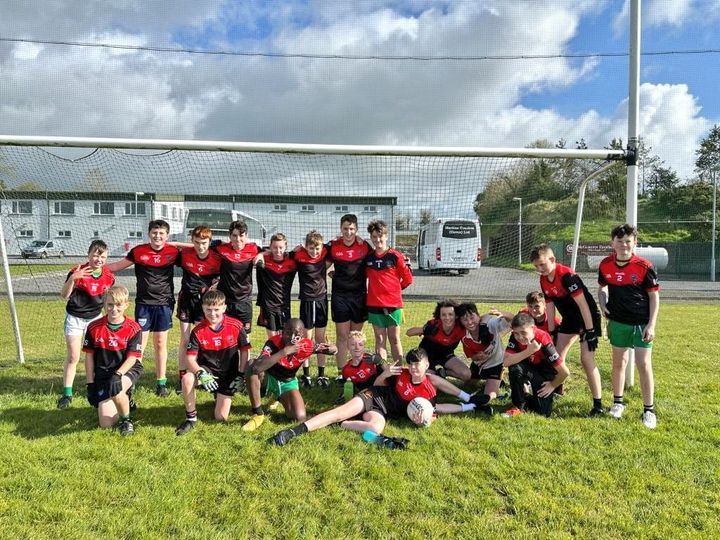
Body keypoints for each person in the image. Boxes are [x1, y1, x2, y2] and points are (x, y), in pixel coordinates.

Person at [268, 348, 485, 448]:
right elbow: (378, 384)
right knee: (339, 412)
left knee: (375, 429)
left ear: (426, 365)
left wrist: (468, 406)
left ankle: (342, 424)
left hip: (382, 412)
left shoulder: (429, 390)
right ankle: (291, 432)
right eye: (411, 364)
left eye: (417, 365)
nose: (413, 368)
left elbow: (439, 409)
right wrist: (385, 373)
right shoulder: (401, 373)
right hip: (373, 396)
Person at [106, 219, 180, 397]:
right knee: (139, 345)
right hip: (144, 305)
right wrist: (91, 267)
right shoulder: (138, 251)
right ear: (149, 234)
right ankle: (131, 381)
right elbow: (116, 266)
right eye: (154, 233)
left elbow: (195, 249)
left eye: (161, 233)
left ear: (167, 236)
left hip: (164, 304)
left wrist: (176, 243)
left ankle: (161, 382)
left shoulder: (173, 252)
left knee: (160, 343)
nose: (157, 236)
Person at [530, 243, 604, 416]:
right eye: (536, 266)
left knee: (586, 360)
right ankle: (556, 391)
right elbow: (549, 306)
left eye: (542, 264)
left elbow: (583, 305)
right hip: (569, 320)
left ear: (552, 259)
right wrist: (551, 331)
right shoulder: (543, 279)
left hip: (587, 318)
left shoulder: (567, 276)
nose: (540, 269)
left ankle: (598, 405)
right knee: (555, 356)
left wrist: (590, 330)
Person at [598, 224, 660, 429]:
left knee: (643, 364)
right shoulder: (605, 264)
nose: (624, 245)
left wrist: (651, 325)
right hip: (618, 322)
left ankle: (649, 410)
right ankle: (618, 403)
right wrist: (603, 304)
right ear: (612, 243)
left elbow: (654, 297)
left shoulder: (644, 266)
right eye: (620, 241)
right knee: (619, 363)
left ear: (635, 243)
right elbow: (602, 288)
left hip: (641, 323)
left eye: (628, 241)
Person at [175, 290, 251, 436]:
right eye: (208, 309)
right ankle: (191, 418)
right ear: (203, 308)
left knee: (220, 418)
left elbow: (244, 351)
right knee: (187, 378)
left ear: (224, 308)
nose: (212, 314)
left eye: (216, 309)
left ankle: (219, 394)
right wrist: (200, 373)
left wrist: (240, 375)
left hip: (228, 374)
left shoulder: (236, 325)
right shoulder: (197, 331)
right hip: (208, 372)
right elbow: (190, 359)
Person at [242, 318, 337, 432]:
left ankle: (278, 397)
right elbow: (257, 368)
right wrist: (284, 351)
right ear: (282, 332)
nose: (292, 337)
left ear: (302, 336)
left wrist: (333, 349)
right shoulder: (273, 342)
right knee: (251, 364)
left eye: (297, 335)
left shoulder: (306, 345)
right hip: (269, 378)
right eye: (288, 333)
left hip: (287, 382)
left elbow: (331, 349)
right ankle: (258, 414)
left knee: (299, 417)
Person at [57, 239, 115, 409]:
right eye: (96, 255)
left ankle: (96, 388)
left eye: (103, 257)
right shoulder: (77, 271)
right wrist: (73, 279)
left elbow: (106, 300)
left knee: (97, 355)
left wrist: (108, 319)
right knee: (74, 356)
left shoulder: (109, 277)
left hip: (95, 319)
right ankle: (67, 394)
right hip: (74, 318)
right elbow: (64, 295)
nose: (99, 259)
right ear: (88, 255)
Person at [83, 286, 143, 436]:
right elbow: (89, 357)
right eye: (110, 305)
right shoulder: (93, 327)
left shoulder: (134, 328)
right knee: (106, 423)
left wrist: (118, 374)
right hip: (104, 373)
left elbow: (132, 358)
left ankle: (126, 421)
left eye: (118, 305)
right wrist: (90, 384)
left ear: (126, 305)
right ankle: (125, 400)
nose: (114, 309)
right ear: (104, 304)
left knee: (117, 388)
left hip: (127, 369)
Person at [175, 225, 223, 393]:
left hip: (204, 304)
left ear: (210, 242)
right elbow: (169, 247)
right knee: (185, 339)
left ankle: (201, 374)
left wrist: (216, 284)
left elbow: (225, 274)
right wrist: (175, 243)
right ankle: (182, 377)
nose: (200, 246)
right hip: (186, 301)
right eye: (196, 242)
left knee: (201, 340)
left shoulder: (217, 258)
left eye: (204, 243)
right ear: (192, 241)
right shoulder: (185, 254)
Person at [326, 214, 372, 384]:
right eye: (345, 228)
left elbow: (378, 257)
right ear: (341, 229)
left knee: (356, 337)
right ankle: (341, 373)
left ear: (356, 229)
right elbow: (318, 263)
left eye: (352, 229)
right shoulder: (333, 246)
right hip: (340, 297)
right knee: (342, 336)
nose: (348, 232)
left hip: (359, 297)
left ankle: (356, 371)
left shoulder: (364, 246)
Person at [502, 312, 570, 418]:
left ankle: (526, 395)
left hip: (542, 371)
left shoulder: (543, 340)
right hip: (527, 366)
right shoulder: (514, 337)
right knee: (515, 368)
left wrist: (552, 385)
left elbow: (564, 372)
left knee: (543, 412)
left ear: (533, 328)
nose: (520, 337)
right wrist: (529, 351)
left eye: (523, 332)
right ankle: (518, 406)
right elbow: (506, 362)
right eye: (516, 333)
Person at [365, 219, 413, 365]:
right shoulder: (368, 258)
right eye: (374, 237)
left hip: (393, 305)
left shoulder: (395, 256)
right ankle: (383, 370)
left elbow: (408, 279)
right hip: (374, 304)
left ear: (386, 236)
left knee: (394, 339)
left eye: (380, 236)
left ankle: (398, 371)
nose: (377, 240)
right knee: (379, 339)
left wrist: (395, 291)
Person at [292, 230, 332, 388]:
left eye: (317, 248)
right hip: (307, 301)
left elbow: (335, 248)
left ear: (321, 247)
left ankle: (321, 374)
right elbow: (286, 256)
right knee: (306, 339)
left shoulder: (325, 252)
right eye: (311, 248)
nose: (314, 251)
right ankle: (306, 375)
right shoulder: (299, 255)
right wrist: (294, 250)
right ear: (305, 246)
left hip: (322, 300)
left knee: (321, 338)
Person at [457, 302, 513, 411]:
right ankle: (495, 382)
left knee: (490, 394)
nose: (469, 322)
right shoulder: (464, 336)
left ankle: (495, 384)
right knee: (468, 384)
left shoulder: (491, 324)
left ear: (478, 316)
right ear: (461, 321)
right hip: (479, 365)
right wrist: (477, 357)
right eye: (465, 319)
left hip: (495, 364)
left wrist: (503, 313)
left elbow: (513, 320)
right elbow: (471, 356)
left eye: (472, 317)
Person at [405, 300, 467, 380]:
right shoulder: (434, 325)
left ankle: (442, 372)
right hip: (427, 355)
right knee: (429, 378)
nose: (447, 318)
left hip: (446, 354)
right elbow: (409, 333)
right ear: (439, 316)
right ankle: (432, 373)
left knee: (466, 374)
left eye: (450, 314)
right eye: (443, 315)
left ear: (456, 316)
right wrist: (425, 329)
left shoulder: (461, 327)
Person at [254, 232, 297, 338]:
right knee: (273, 339)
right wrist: (261, 254)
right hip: (268, 306)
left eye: (281, 247)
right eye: (275, 247)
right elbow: (254, 257)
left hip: (284, 306)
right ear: (270, 246)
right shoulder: (263, 260)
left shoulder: (292, 262)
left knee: (285, 338)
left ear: (285, 247)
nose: (278, 251)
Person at [339, 330, 384, 397]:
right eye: (353, 345)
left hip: (381, 391)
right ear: (348, 347)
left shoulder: (371, 359)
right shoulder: (346, 370)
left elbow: (388, 372)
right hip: (366, 396)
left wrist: (381, 361)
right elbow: (349, 389)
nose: (357, 348)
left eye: (360, 345)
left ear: (364, 346)